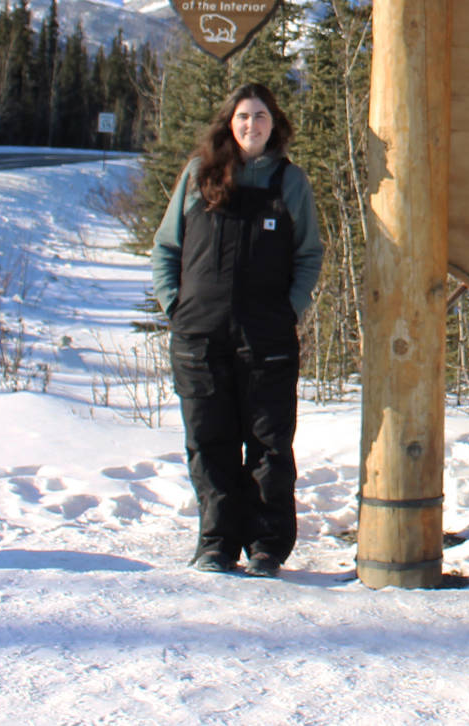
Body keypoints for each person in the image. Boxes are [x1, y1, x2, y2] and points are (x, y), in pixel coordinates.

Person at [150, 82, 322, 577]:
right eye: (244, 116)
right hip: (198, 334)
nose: (252, 125)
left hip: (266, 335)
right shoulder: (199, 175)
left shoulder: (291, 182)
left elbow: (308, 254)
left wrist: (291, 309)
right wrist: (174, 305)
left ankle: (267, 545)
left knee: (268, 442)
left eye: (261, 116)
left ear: (275, 124)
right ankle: (217, 543)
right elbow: (166, 247)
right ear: (231, 122)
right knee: (210, 439)